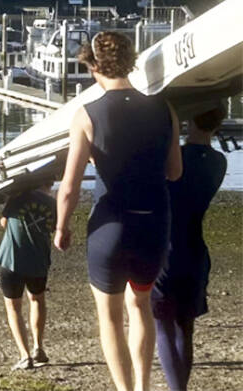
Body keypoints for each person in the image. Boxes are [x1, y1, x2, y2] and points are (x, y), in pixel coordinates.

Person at [54, 31, 182, 391]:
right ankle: (143, 386)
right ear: (130, 61)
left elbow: (69, 186)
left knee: (110, 318)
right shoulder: (164, 109)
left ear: (93, 66)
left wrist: (61, 228)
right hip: (154, 224)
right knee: (140, 303)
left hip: (110, 227)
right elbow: (175, 171)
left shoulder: (87, 114)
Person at [151, 105, 227, 391]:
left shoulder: (174, 160)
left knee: (163, 326)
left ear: (190, 119)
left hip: (167, 248)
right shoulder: (219, 162)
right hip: (196, 251)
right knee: (186, 328)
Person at [0, 180, 56, 371]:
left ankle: (25, 355)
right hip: (38, 260)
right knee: (37, 300)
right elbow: (52, 227)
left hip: (12, 259)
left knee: (14, 307)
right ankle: (38, 347)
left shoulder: (17, 197)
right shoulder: (53, 204)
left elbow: (4, 222)